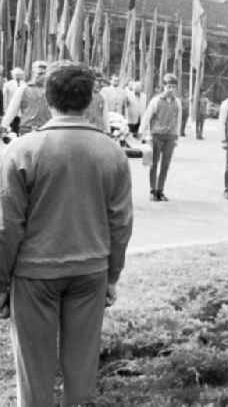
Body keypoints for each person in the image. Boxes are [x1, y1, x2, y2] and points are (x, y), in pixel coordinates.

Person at [0, 61, 133, 406]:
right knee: (81, 372)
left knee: (34, 374)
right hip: (90, 271)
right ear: (90, 100)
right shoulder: (112, 151)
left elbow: (6, 227)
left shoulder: (21, 150)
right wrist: (113, 275)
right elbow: (121, 222)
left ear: (46, 98)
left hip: (35, 273)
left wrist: (1, 284)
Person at [141, 73, 182, 201]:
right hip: (156, 135)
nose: (171, 89)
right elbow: (146, 118)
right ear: (163, 86)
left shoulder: (177, 102)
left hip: (170, 136)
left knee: (165, 165)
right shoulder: (156, 100)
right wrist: (145, 135)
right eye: (168, 86)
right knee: (154, 163)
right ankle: (153, 190)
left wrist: (177, 136)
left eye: (173, 87)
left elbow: (178, 120)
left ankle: (160, 190)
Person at [1, 61, 50, 136]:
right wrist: (4, 127)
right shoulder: (23, 88)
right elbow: (13, 108)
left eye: (42, 73)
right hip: (27, 129)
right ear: (33, 73)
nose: (39, 76)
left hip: (46, 129)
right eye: (37, 73)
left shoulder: (51, 90)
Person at [2, 67, 25, 134]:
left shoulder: (24, 84)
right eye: (16, 74)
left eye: (19, 74)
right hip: (10, 107)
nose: (17, 76)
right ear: (13, 75)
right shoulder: (8, 84)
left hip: (21, 110)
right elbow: (5, 98)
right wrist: (5, 109)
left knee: (18, 124)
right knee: (12, 125)